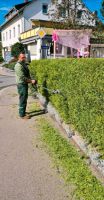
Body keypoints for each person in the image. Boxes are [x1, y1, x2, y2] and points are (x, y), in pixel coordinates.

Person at [15, 52, 37, 119]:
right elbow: (22, 77)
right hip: (21, 85)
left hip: (24, 84)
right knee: (23, 99)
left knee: (24, 98)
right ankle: (22, 115)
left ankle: (23, 112)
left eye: (24, 57)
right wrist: (31, 81)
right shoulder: (18, 66)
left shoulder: (23, 63)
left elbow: (26, 69)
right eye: (22, 57)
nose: (24, 58)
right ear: (19, 58)